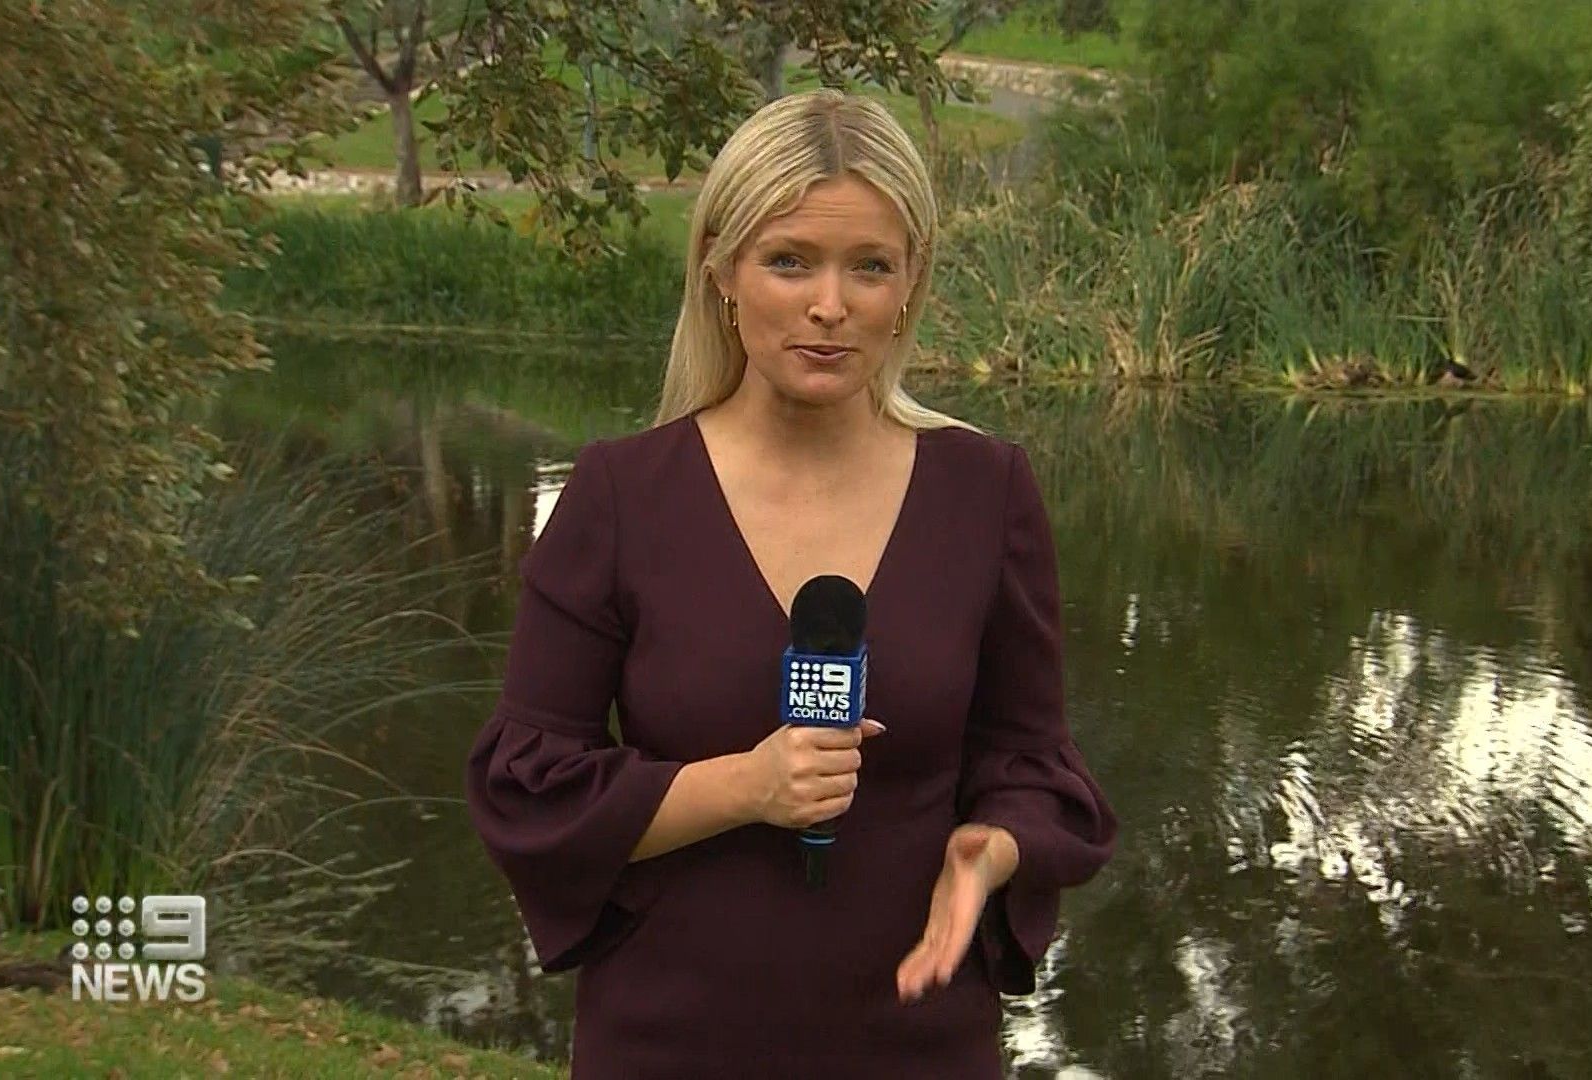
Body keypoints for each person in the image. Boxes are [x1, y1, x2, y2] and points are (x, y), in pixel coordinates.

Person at [464, 88, 1117, 1079]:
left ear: (911, 281)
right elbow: (529, 787)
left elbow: (1030, 762)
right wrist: (746, 786)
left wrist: (993, 847)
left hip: (919, 1044)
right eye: (790, 261)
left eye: (870, 267)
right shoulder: (621, 495)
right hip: (670, 1044)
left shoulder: (986, 492)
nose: (830, 305)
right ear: (721, 267)